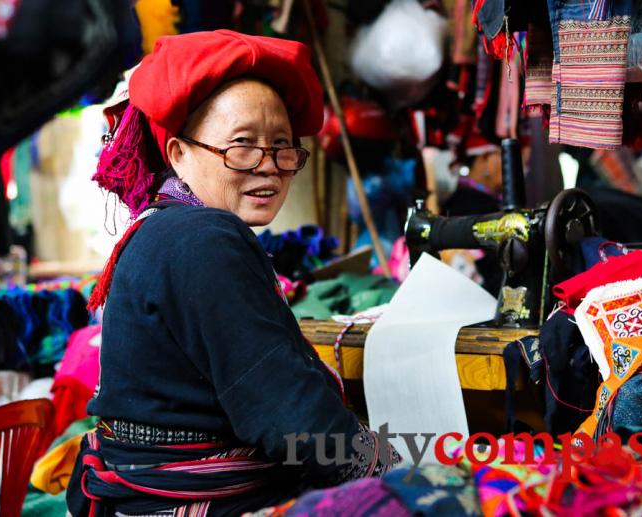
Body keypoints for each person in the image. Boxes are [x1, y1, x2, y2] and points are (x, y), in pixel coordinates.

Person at [67, 30, 399, 517]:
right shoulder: (203, 240)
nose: (268, 167)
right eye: (242, 146)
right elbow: (287, 414)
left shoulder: (168, 228)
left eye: (283, 147)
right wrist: (392, 470)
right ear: (179, 154)